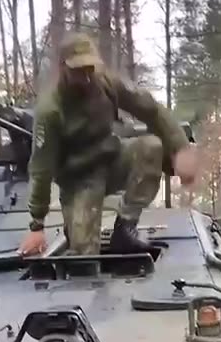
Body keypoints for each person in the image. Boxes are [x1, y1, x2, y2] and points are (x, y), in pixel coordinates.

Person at [18, 32, 198, 257]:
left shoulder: (105, 82)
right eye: (77, 71)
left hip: (113, 161)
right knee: (84, 254)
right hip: (79, 180)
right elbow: (41, 168)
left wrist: (181, 149)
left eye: (89, 69)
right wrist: (37, 225)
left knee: (150, 147)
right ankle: (77, 229)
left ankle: (125, 227)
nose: (85, 77)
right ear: (63, 68)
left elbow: (151, 110)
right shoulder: (50, 110)